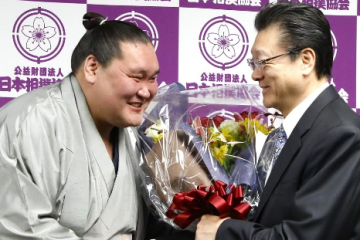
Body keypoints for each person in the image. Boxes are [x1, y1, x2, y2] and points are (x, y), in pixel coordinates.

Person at [0, 12, 194, 240]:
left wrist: (208, 228)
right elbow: (20, 228)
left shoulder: (131, 132)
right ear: (92, 67)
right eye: (136, 76)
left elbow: (140, 219)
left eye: (152, 79)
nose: (146, 91)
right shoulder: (30, 121)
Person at [195, 2, 360, 240]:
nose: (255, 74)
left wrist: (221, 231)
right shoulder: (289, 132)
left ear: (305, 60)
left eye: (263, 61)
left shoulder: (341, 135)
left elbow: (304, 236)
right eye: (253, 63)